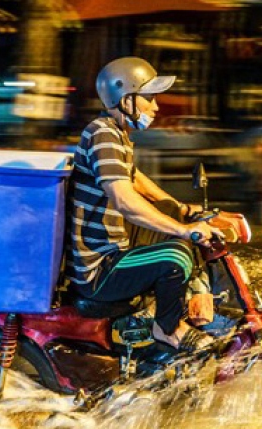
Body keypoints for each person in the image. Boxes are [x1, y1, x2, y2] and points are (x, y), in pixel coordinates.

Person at [64, 56, 222, 354]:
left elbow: (135, 179)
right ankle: (168, 330)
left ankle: (165, 321)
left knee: (178, 243)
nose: (156, 107)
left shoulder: (116, 134)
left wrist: (180, 209)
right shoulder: (103, 133)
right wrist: (185, 230)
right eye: (149, 98)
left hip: (110, 254)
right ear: (125, 99)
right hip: (98, 270)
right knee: (176, 256)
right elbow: (125, 200)